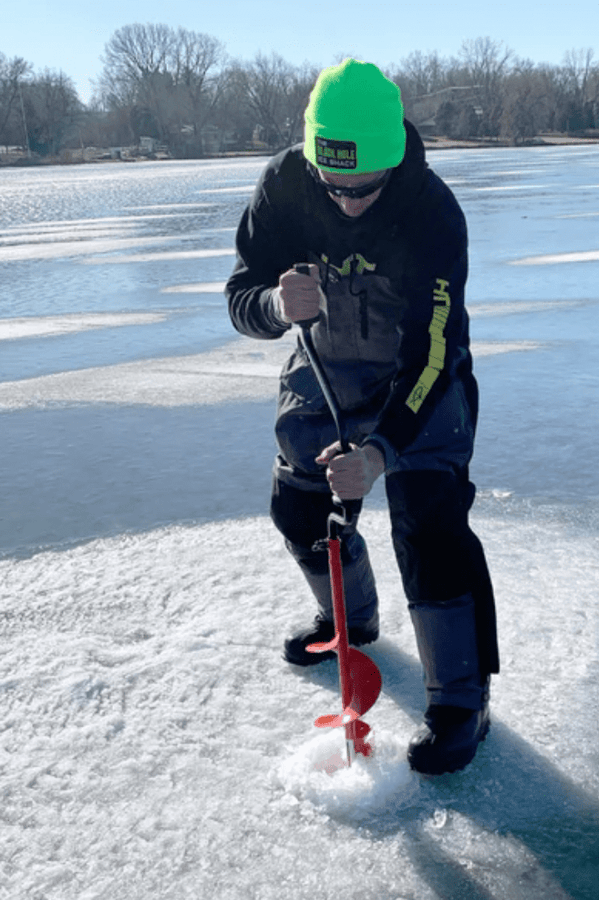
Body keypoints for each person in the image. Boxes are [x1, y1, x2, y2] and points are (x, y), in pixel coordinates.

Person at [226, 58, 499, 775]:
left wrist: (380, 453)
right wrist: (273, 307)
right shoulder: (285, 183)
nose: (348, 203)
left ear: (393, 161)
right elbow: (241, 294)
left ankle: (462, 702)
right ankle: (352, 619)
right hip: (326, 368)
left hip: (419, 375)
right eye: (334, 186)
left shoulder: (430, 210)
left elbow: (436, 350)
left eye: (365, 188)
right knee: (297, 506)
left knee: (432, 527)